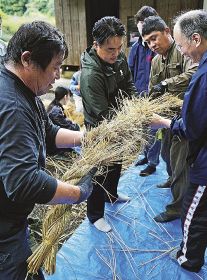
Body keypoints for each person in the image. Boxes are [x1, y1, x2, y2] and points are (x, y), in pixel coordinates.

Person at [0, 21, 97, 280]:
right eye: (55, 67)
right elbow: (23, 182)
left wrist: (86, 139)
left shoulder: (21, 88)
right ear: (28, 59)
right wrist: (78, 193)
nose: (58, 75)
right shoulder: (13, 107)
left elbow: (48, 133)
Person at [151, 9, 207, 273]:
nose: (183, 52)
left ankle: (189, 258)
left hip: (204, 161)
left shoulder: (202, 76)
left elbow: (192, 128)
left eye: (183, 45)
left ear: (195, 39)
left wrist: (164, 122)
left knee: (194, 213)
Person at [80, 16, 138, 232]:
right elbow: (102, 113)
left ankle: (111, 195)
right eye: (110, 49)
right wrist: (129, 122)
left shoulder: (119, 57)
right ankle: (95, 215)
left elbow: (129, 85)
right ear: (96, 45)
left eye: (118, 47)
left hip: (121, 120)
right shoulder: (90, 75)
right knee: (99, 170)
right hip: (100, 126)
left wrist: (135, 105)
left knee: (116, 164)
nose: (115, 53)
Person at [141, 16, 197, 222]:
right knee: (165, 154)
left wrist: (166, 84)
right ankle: (172, 178)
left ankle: (177, 208)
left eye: (154, 38)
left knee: (180, 160)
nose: (152, 44)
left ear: (167, 31)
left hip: (184, 117)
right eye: (147, 41)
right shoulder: (155, 61)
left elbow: (194, 72)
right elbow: (152, 87)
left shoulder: (184, 52)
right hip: (164, 118)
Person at [128, 6, 157, 95]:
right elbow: (129, 74)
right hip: (139, 96)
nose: (143, 25)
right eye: (140, 22)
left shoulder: (159, 47)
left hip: (156, 95)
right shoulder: (135, 48)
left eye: (146, 22)